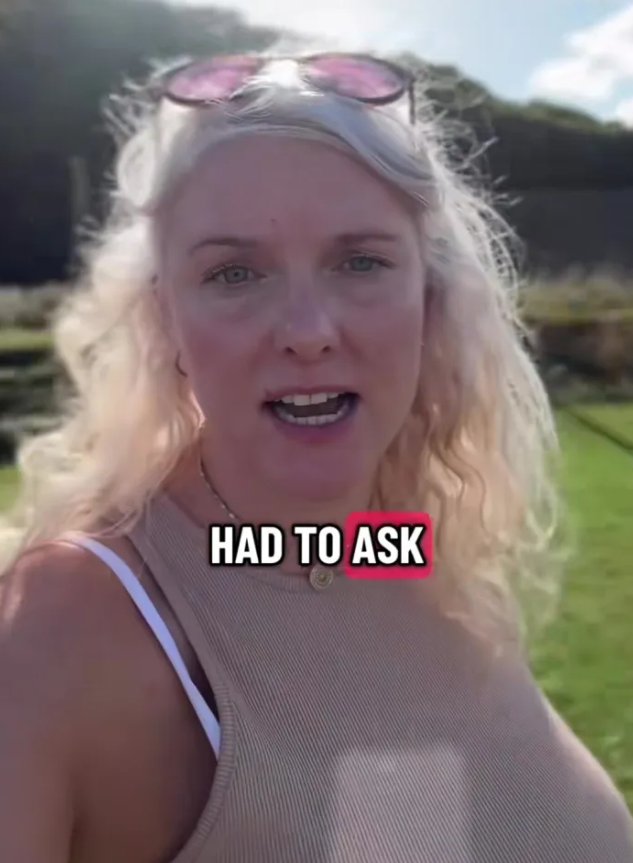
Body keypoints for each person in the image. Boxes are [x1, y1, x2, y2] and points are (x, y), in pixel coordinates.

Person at [0, 50, 631, 863]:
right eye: (234, 272)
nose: (307, 331)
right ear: (166, 321)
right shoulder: (71, 627)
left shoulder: (412, 547)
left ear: (430, 298)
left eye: (360, 261)